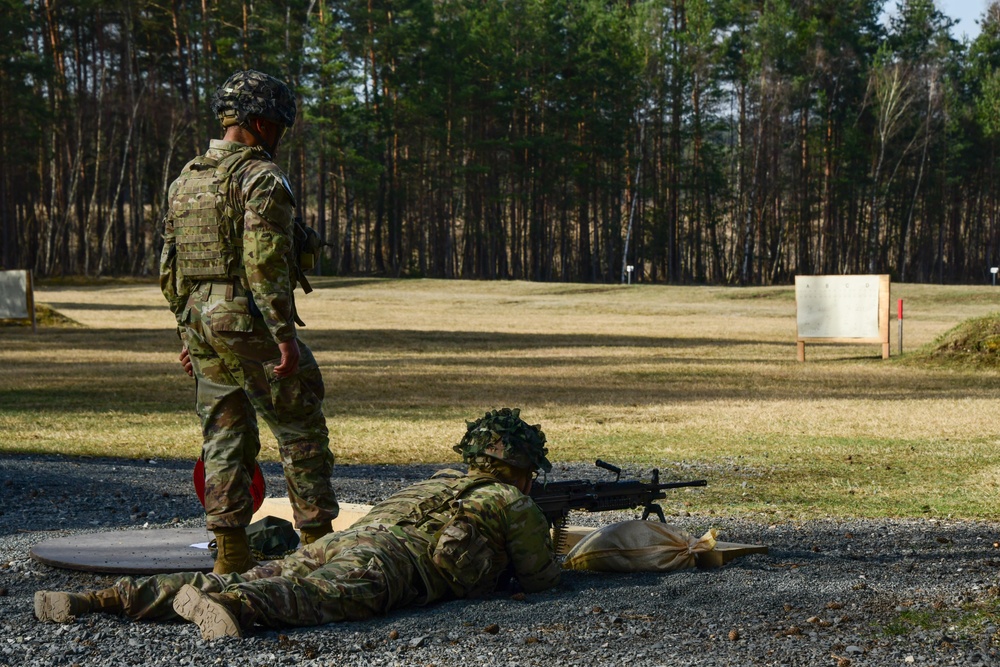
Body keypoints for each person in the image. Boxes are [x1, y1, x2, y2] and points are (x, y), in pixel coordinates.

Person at [34, 409, 561, 641]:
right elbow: (541, 579)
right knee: (305, 598)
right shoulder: (509, 501)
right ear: (521, 469)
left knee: (253, 574)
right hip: (388, 563)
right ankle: (228, 607)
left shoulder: (442, 479)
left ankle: (98, 599)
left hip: (347, 541)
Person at [158, 69, 338, 574]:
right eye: (278, 126)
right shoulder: (261, 177)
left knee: (224, 432)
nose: (280, 136)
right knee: (300, 424)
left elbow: (169, 267)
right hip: (245, 320)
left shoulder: (186, 179)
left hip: (200, 317)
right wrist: (283, 336)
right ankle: (320, 550)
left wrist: (188, 333)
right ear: (258, 122)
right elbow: (264, 262)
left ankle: (231, 555)